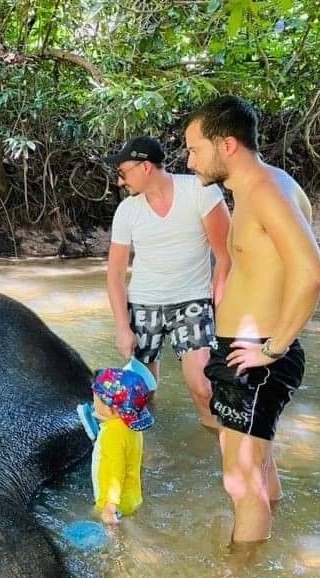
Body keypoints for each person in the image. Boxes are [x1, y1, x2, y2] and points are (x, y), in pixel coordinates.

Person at [184, 96, 320, 545]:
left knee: (239, 482)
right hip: (250, 353)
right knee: (258, 468)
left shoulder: (266, 189)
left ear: (226, 145)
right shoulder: (261, 187)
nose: (189, 162)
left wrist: (273, 349)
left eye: (194, 149)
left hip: (259, 356)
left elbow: (312, 272)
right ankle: (272, 543)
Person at [104, 135, 231, 428]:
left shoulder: (200, 192)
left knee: (203, 388)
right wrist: (123, 328)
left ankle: (225, 456)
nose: (120, 182)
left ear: (145, 167)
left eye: (123, 173)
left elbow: (226, 257)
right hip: (143, 304)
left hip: (192, 301)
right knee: (141, 395)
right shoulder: (127, 211)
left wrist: (221, 308)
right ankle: (151, 454)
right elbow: (115, 275)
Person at [88, 367, 154, 525]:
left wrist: (109, 507)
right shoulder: (131, 426)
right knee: (130, 525)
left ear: (110, 409)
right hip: (133, 496)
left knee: (96, 519)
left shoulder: (111, 434)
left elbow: (116, 471)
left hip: (115, 503)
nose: (93, 401)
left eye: (95, 398)